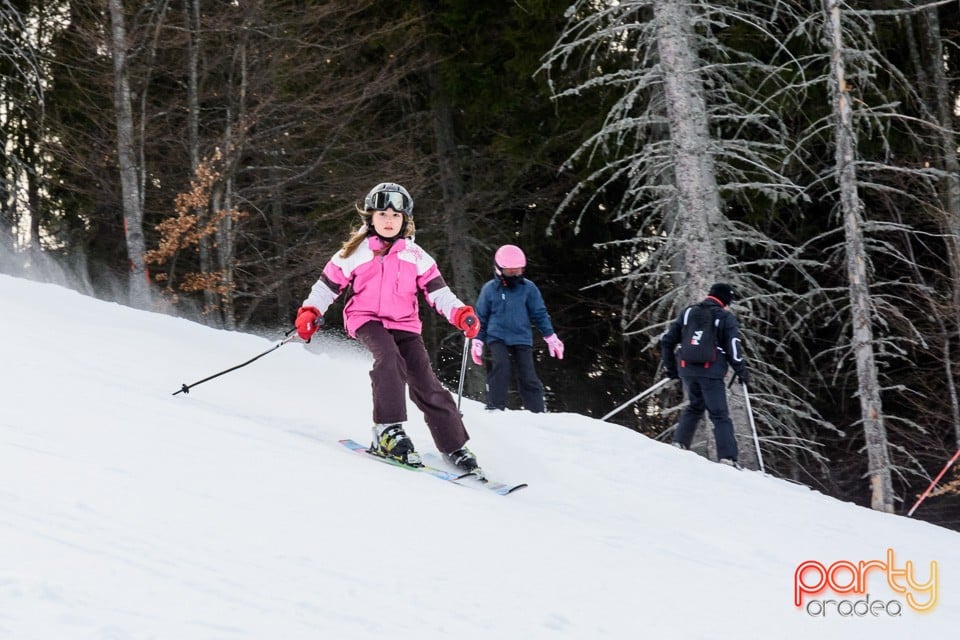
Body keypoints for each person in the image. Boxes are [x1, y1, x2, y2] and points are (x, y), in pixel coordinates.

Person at [295, 182, 482, 473]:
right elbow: (325, 287)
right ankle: (387, 430)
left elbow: (438, 293)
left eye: (395, 216)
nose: (389, 221)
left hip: (405, 324)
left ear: (405, 220)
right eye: (382, 214)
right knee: (389, 359)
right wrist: (311, 311)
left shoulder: (416, 256)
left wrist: (460, 313)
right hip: (365, 318)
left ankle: (454, 445)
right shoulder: (354, 252)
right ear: (370, 217)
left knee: (424, 378)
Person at [659, 283, 750, 467]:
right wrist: (741, 370)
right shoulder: (725, 316)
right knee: (719, 414)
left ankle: (679, 444)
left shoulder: (688, 312)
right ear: (725, 300)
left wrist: (671, 368)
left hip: (688, 368)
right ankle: (728, 458)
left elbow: (668, 341)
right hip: (711, 371)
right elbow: (733, 346)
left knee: (695, 406)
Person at [472, 244, 564, 413]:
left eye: (518, 271)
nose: (515, 275)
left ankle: (536, 411)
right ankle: (495, 407)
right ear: (499, 270)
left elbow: (539, 313)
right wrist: (478, 340)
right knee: (501, 366)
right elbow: (481, 318)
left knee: (528, 374)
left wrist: (550, 336)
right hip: (497, 336)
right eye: (510, 272)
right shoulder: (489, 290)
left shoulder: (528, 289)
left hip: (521, 337)